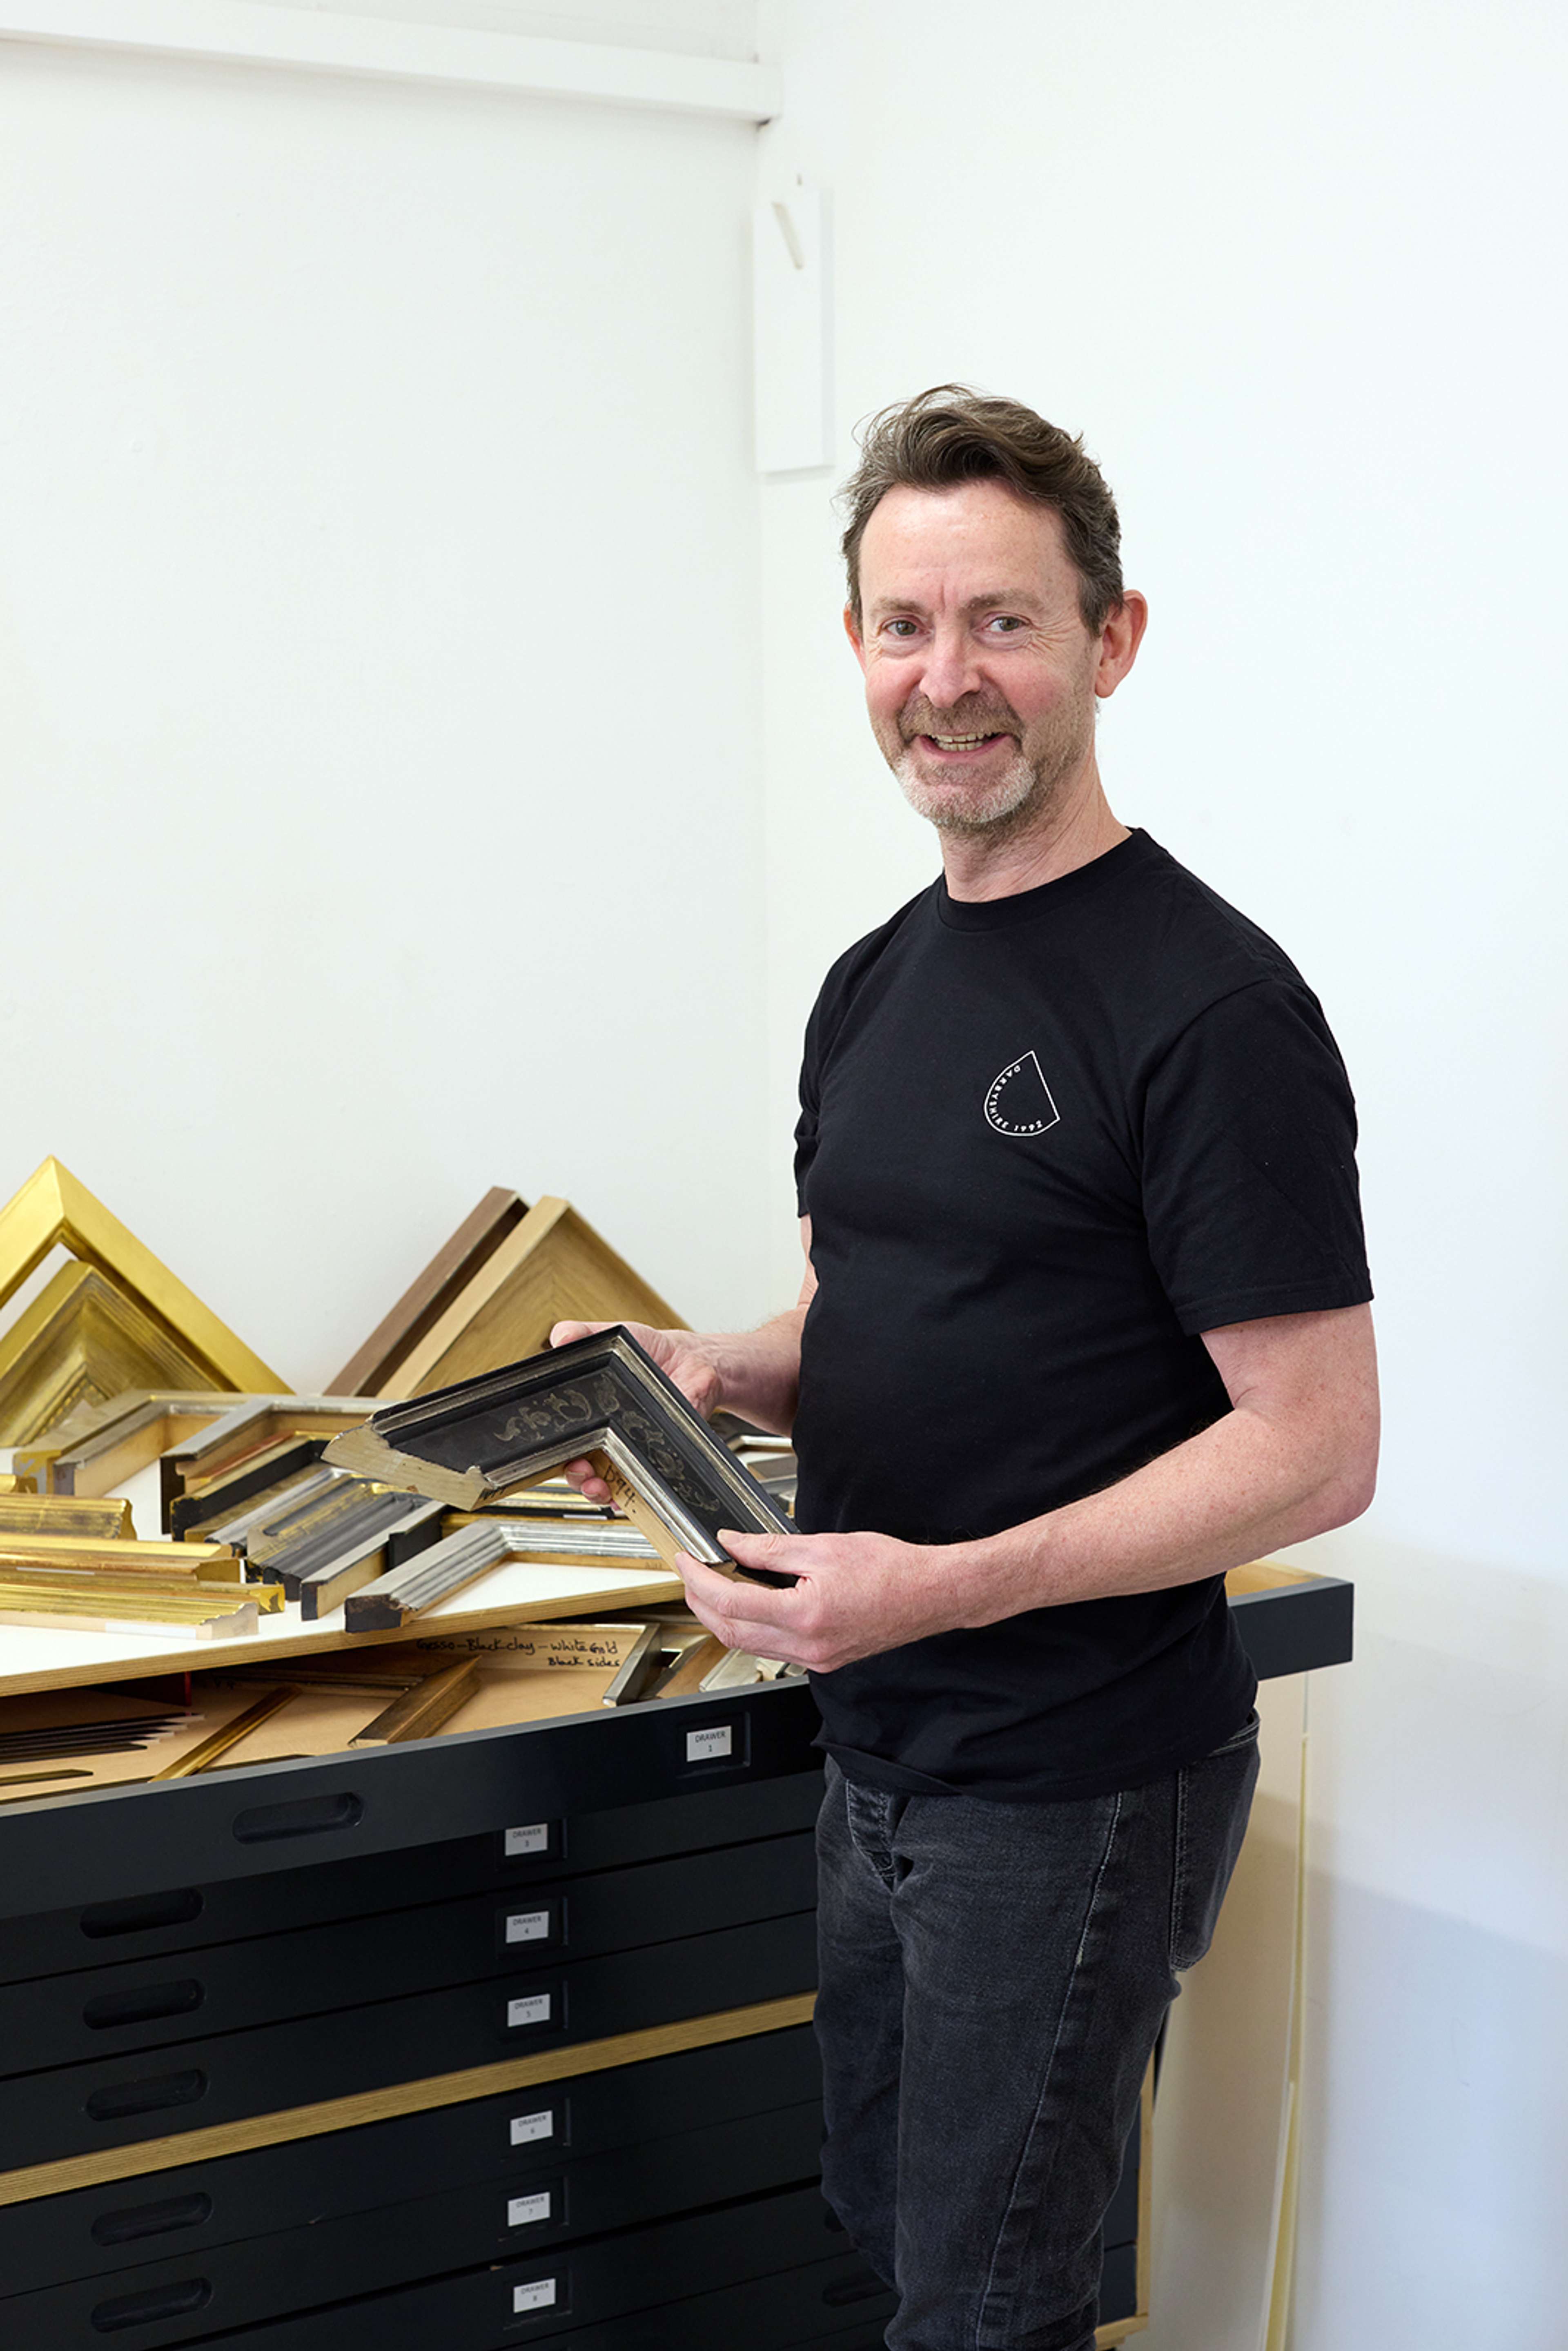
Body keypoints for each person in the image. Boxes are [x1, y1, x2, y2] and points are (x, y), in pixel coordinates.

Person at [555, 385, 1378, 2351]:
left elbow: (1315, 1450)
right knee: (888, 2219)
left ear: (1112, 639)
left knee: (987, 2301)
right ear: (855, 648)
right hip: (883, 1750)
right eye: (904, 627)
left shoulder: (1213, 1009)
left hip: (1076, 1772)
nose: (949, 680)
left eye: (1002, 621)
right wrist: (706, 1371)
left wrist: (944, 1583)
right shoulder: (876, 982)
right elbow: (887, 1302)